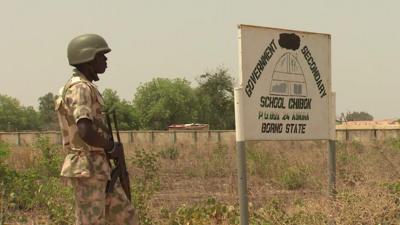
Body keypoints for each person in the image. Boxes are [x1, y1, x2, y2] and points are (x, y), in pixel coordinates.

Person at [55, 34, 138, 225]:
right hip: (88, 168)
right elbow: (85, 130)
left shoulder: (86, 87)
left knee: (126, 217)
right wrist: (110, 147)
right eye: (101, 56)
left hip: (99, 168)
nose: (106, 60)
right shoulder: (80, 88)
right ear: (89, 60)